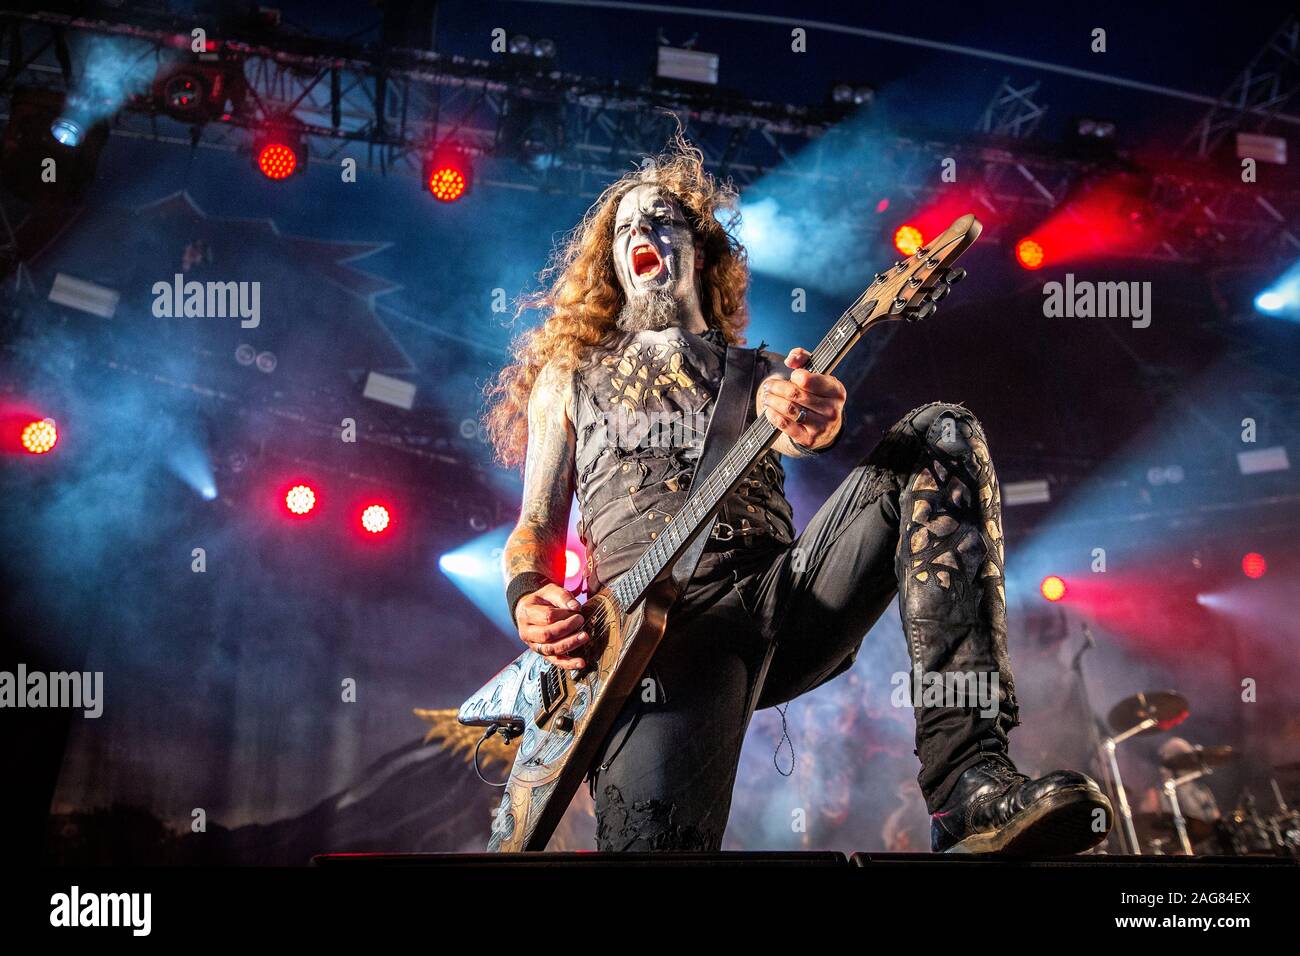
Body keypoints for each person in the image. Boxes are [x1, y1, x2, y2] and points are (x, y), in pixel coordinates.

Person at [483, 134, 1112, 854]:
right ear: (614, 264)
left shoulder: (761, 371)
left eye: (660, 219)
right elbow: (536, 521)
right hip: (649, 644)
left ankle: (968, 784)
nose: (641, 233)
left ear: (700, 249)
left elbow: (800, 424)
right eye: (625, 227)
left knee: (939, 436)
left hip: (782, 599)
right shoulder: (571, 380)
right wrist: (528, 594)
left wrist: (815, 414)